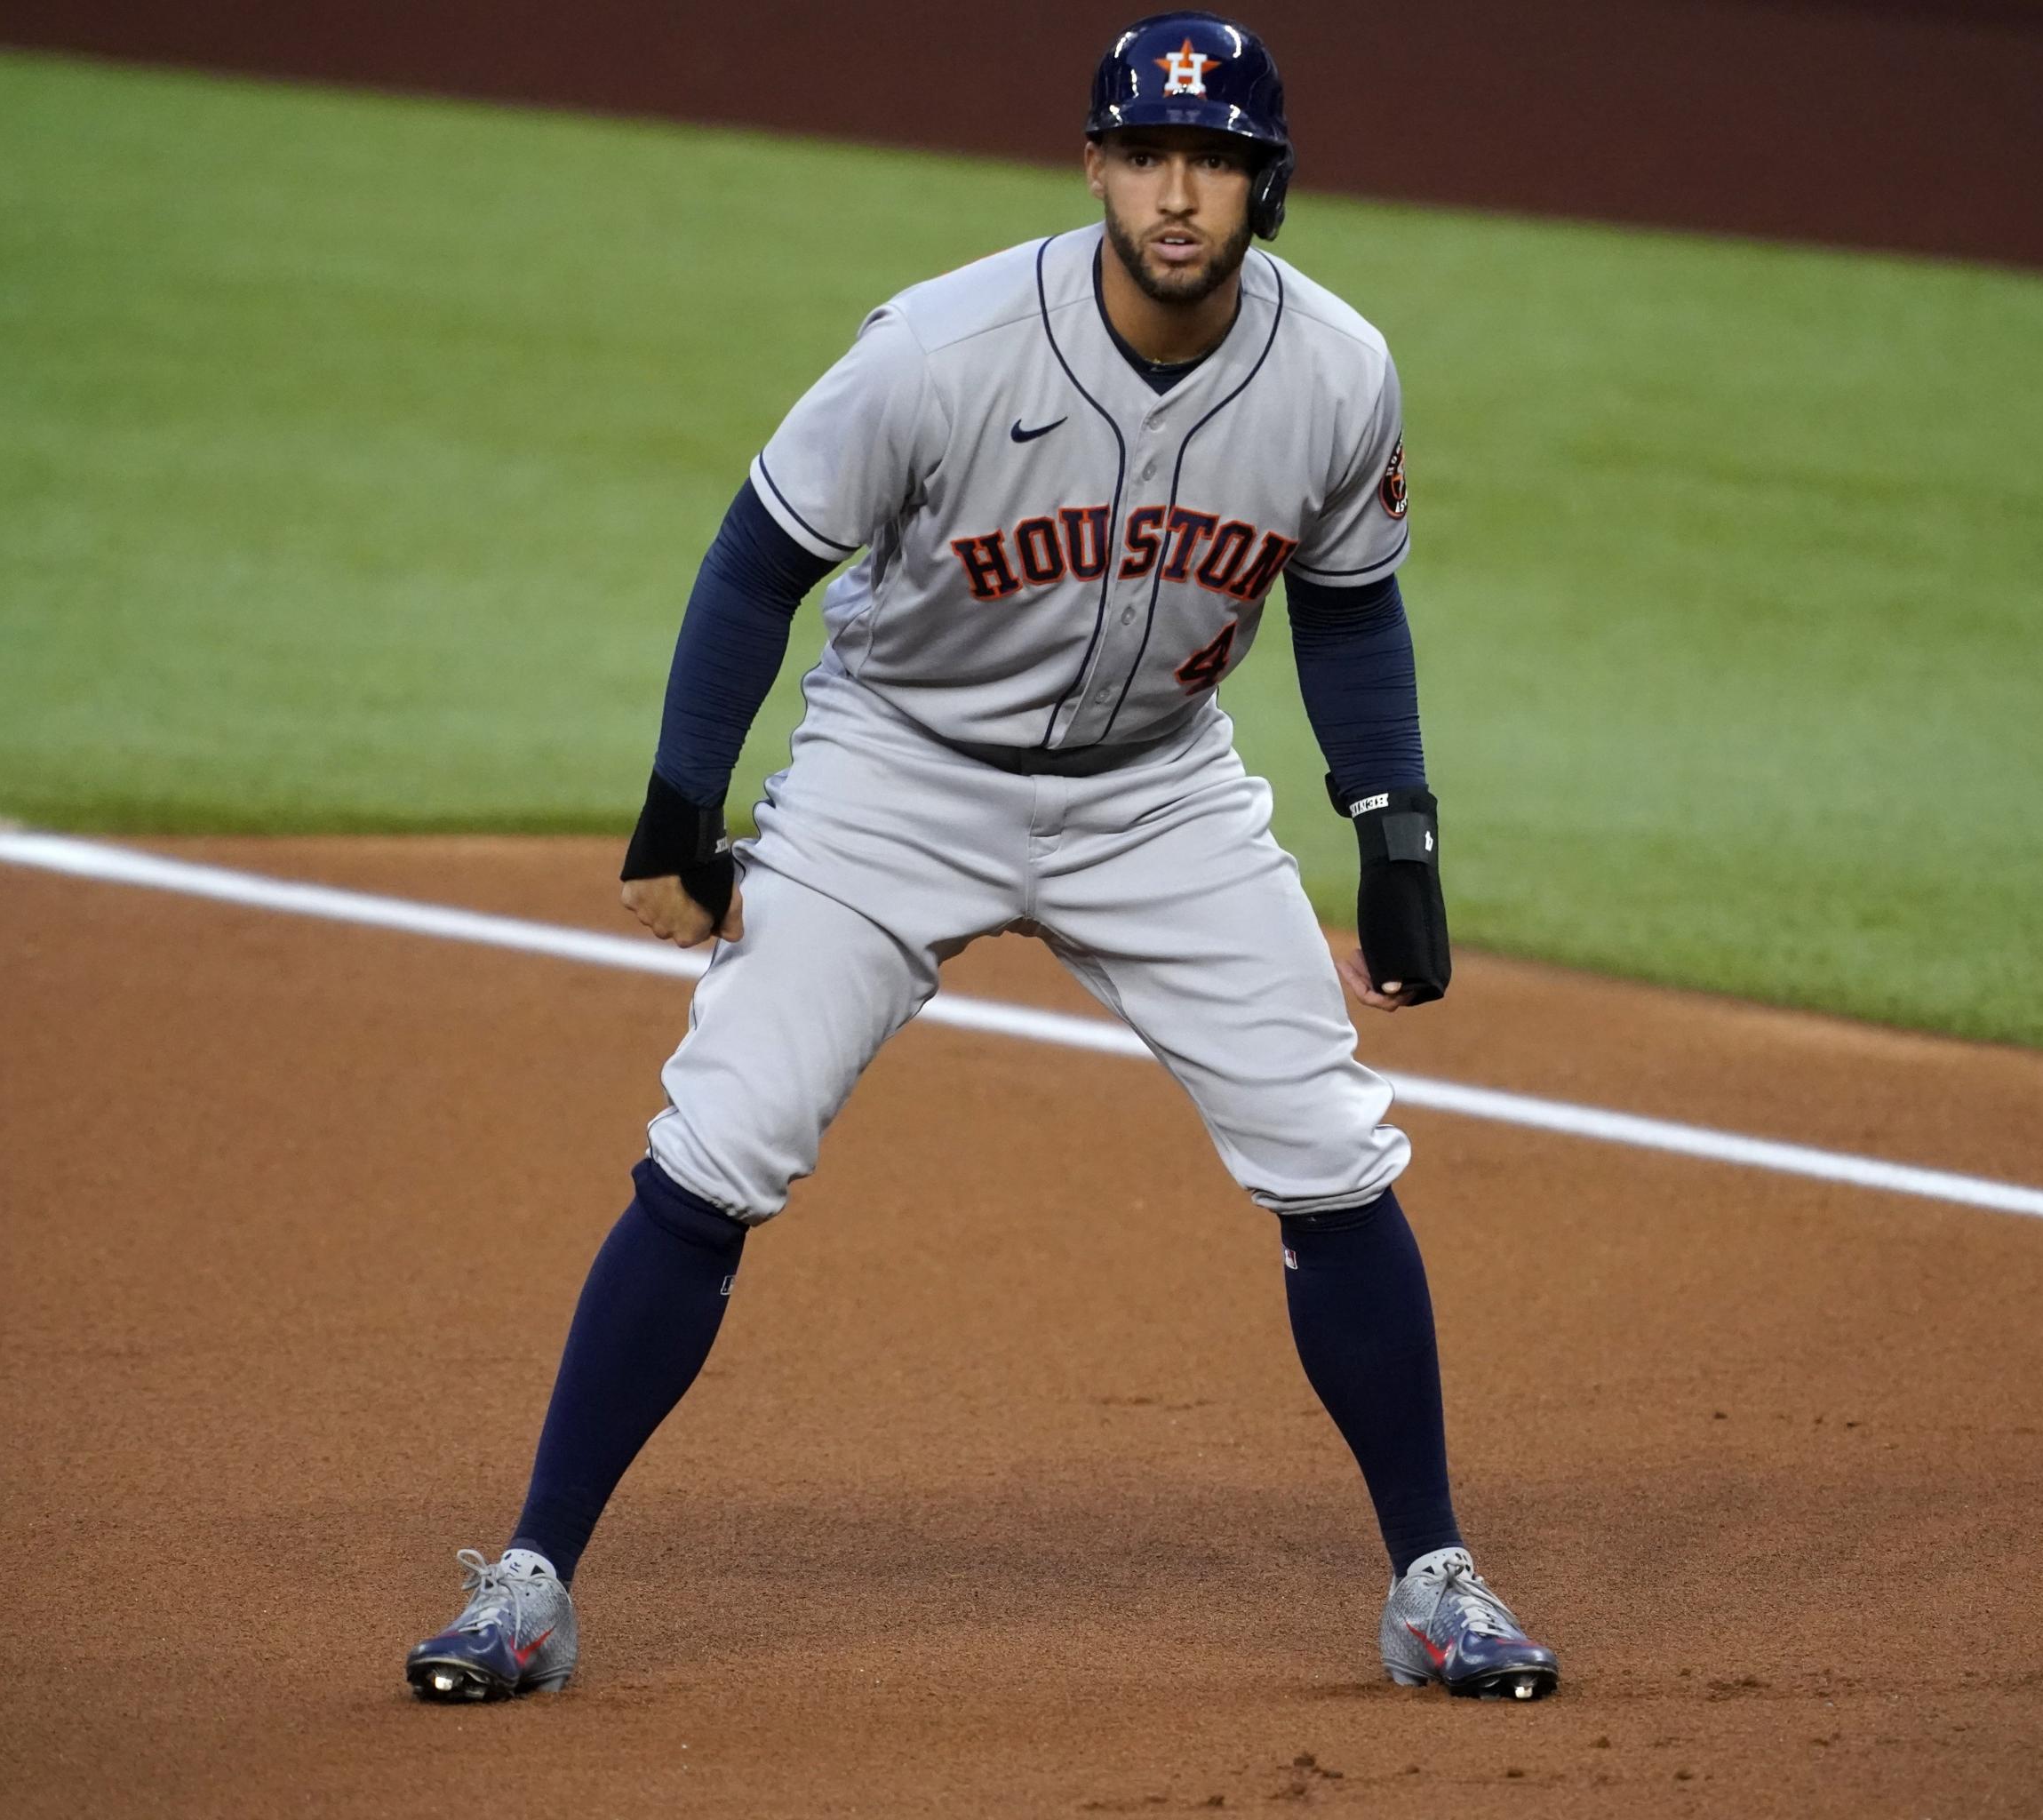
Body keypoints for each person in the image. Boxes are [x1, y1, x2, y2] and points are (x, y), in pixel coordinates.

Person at [405, 10, 1559, 1704]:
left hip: (1159, 790)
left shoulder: (1336, 371)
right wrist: (680, 810)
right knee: (722, 1144)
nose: (1181, 195)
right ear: (1094, 166)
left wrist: (1394, 828)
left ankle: (1435, 1580)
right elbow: (756, 563)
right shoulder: (939, 352)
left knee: (1329, 1149)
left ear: (1268, 188)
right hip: (899, 773)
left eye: (1218, 164)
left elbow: (1352, 596)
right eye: (1150, 157)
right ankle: (528, 1582)